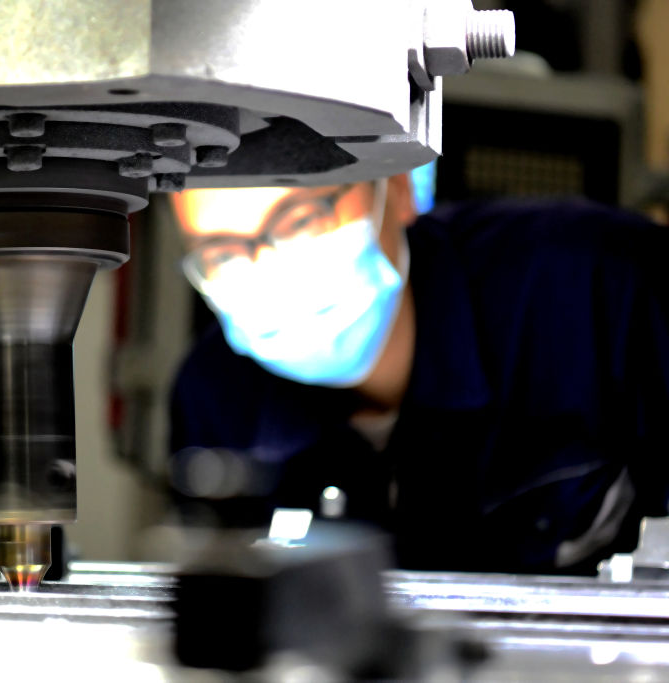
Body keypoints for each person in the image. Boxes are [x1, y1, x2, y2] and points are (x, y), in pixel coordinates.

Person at [168, 173, 669, 574]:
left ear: (398, 188)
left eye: (300, 221)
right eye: (221, 253)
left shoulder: (602, 288)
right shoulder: (215, 399)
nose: (266, 272)